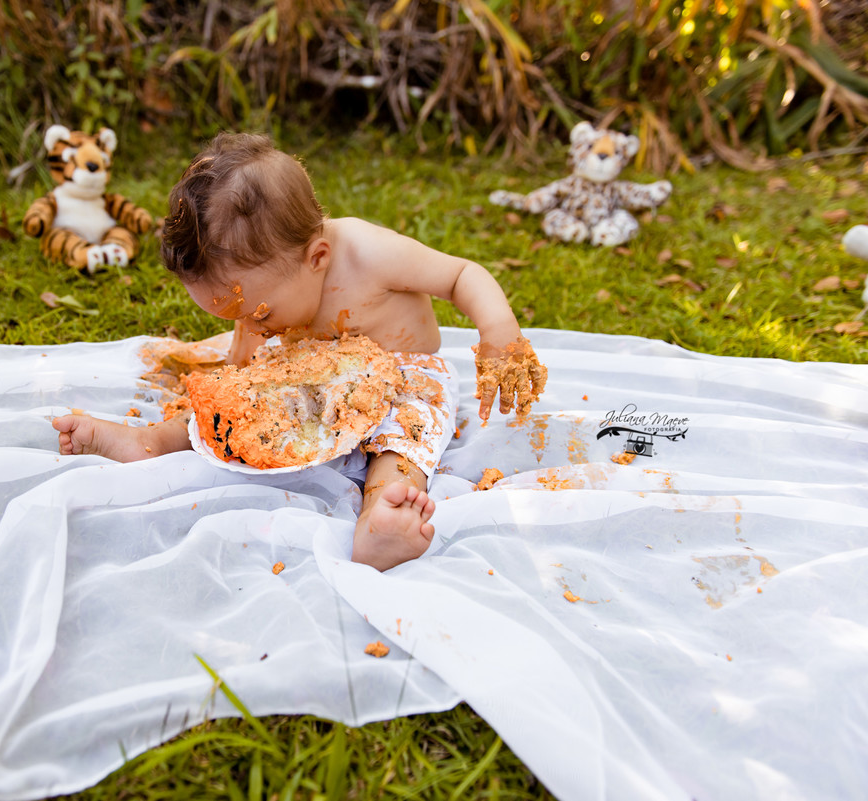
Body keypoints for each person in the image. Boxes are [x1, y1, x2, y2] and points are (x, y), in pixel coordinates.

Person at [53, 132, 547, 571]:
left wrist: (500, 333)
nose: (251, 325)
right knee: (236, 408)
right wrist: (235, 378)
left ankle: (384, 511)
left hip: (400, 373)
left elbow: (462, 275)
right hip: (305, 371)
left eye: (260, 313)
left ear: (318, 258)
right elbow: (245, 353)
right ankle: (152, 442)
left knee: (405, 434)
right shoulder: (270, 298)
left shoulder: (366, 252)